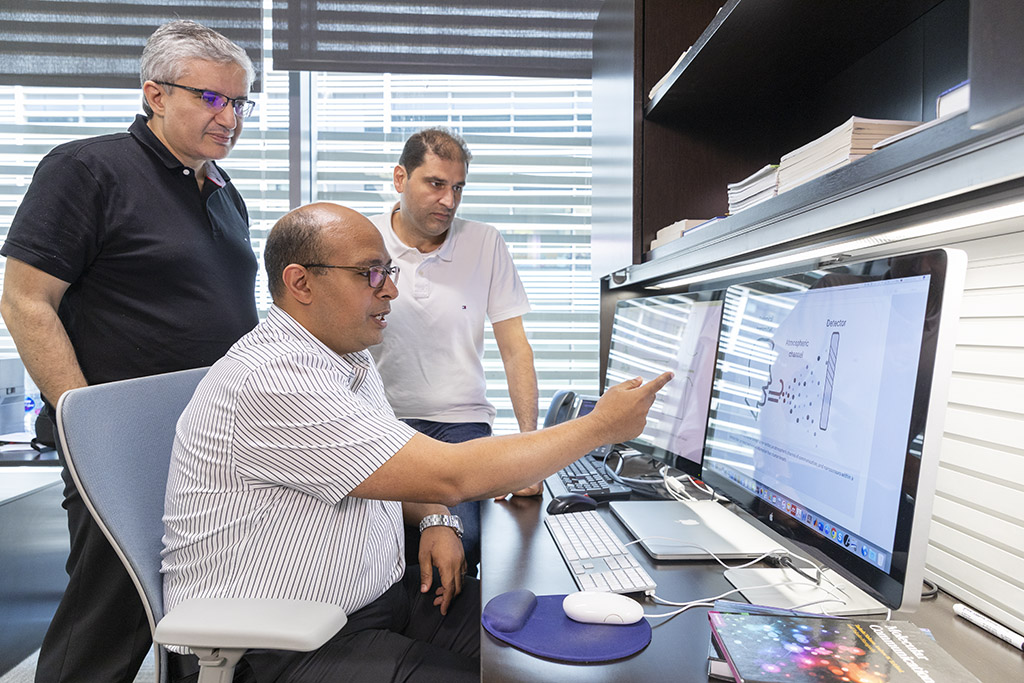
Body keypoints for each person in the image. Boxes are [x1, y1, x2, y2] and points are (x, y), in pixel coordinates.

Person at [162, 202, 671, 682]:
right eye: (370, 274)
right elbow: (452, 474)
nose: (390, 292)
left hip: (381, 601)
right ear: (301, 283)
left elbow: (393, 463)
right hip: (284, 644)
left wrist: (434, 518)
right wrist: (600, 427)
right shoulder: (277, 381)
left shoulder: (346, 357)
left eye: (389, 271)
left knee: (563, 647)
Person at [0, 20, 259, 683]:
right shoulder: (87, 168)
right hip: (123, 450)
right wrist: (87, 424)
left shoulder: (224, 194)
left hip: (210, 448)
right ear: (154, 94)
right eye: (210, 98)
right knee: (104, 628)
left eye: (238, 102)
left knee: (197, 628)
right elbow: (26, 300)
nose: (228, 116)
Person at [368, 128, 541, 572]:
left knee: (467, 544)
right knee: (380, 546)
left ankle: (452, 639)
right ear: (400, 178)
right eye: (436, 184)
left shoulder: (485, 242)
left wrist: (528, 451)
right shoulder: (364, 241)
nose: (449, 200)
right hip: (384, 425)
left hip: (463, 426)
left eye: (458, 187)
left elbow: (515, 349)